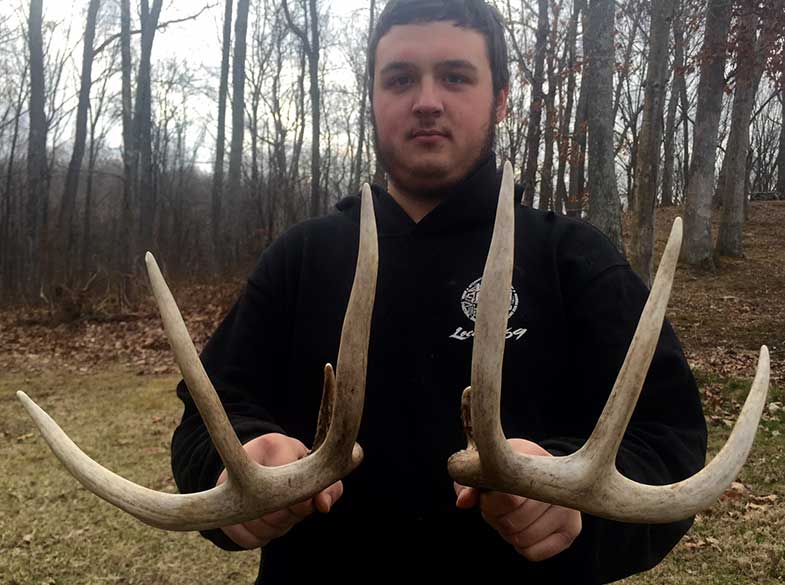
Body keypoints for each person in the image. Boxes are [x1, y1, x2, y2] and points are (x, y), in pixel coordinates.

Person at [171, 0, 708, 582]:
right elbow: (209, 416)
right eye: (400, 78)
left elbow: (666, 438)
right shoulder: (300, 259)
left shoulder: (573, 259)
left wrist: (574, 505)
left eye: (455, 76)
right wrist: (240, 464)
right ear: (373, 99)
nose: (426, 100)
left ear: (500, 98)